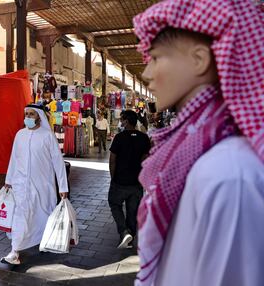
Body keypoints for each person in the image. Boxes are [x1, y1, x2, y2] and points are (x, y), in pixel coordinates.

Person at [133, 1, 264, 285]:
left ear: (199, 60)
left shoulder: (230, 173)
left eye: (155, 58)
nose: (147, 75)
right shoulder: (201, 157)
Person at [2, 104, 69, 265]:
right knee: (21, 215)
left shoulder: (47, 135)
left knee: (42, 215)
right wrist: (9, 180)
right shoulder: (20, 135)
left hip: (43, 186)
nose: (28, 117)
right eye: (26, 114)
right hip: (20, 184)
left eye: (31, 114)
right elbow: (14, 158)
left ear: (39, 116)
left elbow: (58, 162)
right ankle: (14, 251)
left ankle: (42, 241)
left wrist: (63, 187)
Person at [109, 110, 150, 249]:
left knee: (114, 204)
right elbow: (146, 159)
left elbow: (112, 160)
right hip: (137, 182)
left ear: (126, 121)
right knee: (133, 211)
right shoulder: (144, 138)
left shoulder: (119, 137)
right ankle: (130, 237)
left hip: (120, 180)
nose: (120, 122)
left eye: (122, 119)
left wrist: (112, 177)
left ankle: (124, 231)